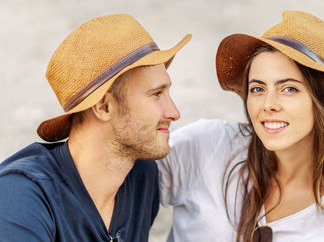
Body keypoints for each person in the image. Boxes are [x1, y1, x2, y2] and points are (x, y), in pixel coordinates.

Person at [157, 11, 324, 241]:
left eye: (288, 88)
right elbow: (126, 184)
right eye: (258, 89)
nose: (268, 105)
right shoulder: (207, 147)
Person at [0, 14, 191, 241]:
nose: (174, 113)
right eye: (157, 94)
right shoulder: (21, 196)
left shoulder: (142, 175)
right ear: (104, 107)